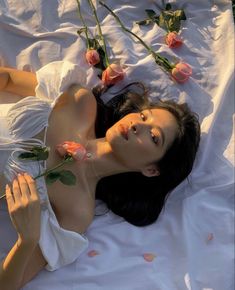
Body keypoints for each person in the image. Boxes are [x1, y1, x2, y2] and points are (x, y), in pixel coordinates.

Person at [0, 61, 200, 289]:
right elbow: (7, 78)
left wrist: (27, 240)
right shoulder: (80, 101)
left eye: (154, 136)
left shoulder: (77, 211)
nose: (137, 125)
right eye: (144, 116)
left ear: (151, 170)